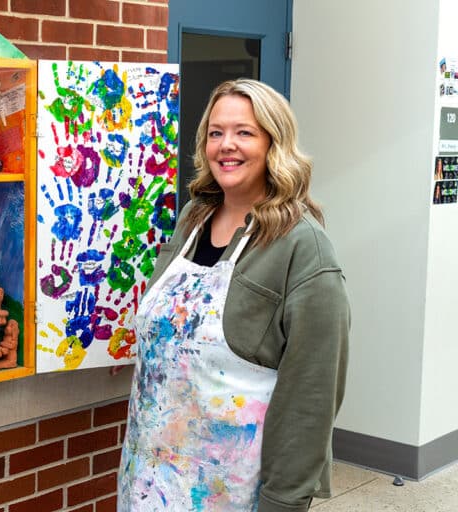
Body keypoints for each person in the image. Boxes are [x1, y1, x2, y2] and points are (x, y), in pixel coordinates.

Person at [117, 79, 350, 512]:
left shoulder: (302, 247)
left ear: (273, 143)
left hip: (231, 494)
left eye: (245, 132)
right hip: (148, 482)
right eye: (216, 132)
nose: (227, 145)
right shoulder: (193, 219)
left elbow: (310, 400)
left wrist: (284, 503)